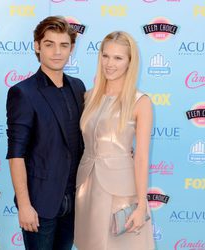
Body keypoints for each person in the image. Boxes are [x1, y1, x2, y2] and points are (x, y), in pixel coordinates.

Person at [6, 16, 85, 250]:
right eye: (49, 44)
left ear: (71, 49)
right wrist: (24, 205)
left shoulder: (78, 87)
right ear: (37, 46)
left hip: (74, 201)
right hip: (40, 205)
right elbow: (16, 154)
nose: (57, 52)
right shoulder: (23, 92)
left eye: (64, 45)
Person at [74, 31, 155, 250]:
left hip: (121, 192)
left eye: (118, 58)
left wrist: (140, 205)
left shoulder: (140, 102)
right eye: (106, 56)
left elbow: (141, 157)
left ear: (130, 62)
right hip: (86, 188)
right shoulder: (89, 97)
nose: (110, 64)